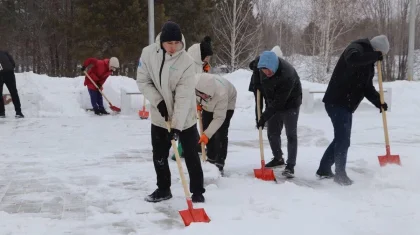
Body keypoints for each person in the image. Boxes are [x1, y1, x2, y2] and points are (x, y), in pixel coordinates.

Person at [136, 21, 205, 203]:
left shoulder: (187, 63)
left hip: (185, 117)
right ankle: (163, 189)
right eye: (169, 43)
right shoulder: (148, 54)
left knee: (190, 154)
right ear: (162, 42)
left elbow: (183, 97)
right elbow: (143, 81)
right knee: (159, 154)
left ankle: (197, 191)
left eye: (177, 43)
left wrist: (176, 126)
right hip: (160, 117)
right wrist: (158, 102)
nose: (173, 47)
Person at [316, 35, 389, 186]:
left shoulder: (368, 65)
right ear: (376, 50)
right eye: (379, 54)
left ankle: (324, 169)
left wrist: (379, 102)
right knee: (343, 140)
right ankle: (340, 174)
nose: (377, 59)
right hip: (337, 101)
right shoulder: (357, 47)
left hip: (345, 104)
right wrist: (375, 56)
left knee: (341, 139)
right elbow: (353, 59)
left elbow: (367, 87)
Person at [255, 51, 302, 178]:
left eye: (268, 70)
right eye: (264, 70)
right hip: (273, 101)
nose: (266, 73)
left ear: (274, 66)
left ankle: (290, 166)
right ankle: (278, 158)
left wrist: (264, 117)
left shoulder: (288, 74)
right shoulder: (261, 67)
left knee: (291, 134)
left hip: (291, 103)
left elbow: (279, 103)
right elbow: (253, 66)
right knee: (272, 133)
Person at [171, 35, 214, 161]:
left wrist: (205, 72)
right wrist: (199, 97)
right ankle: (182, 148)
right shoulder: (189, 62)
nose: (207, 60)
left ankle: (193, 145)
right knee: (184, 122)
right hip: (183, 97)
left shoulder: (199, 62)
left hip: (192, 97)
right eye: (206, 57)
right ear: (201, 55)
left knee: (191, 122)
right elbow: (190, 84)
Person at [195, 73, 237, 174]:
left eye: (207, 95)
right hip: (208, 104)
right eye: (203, 94)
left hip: (227, 104)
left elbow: (219, 118)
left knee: (220, 133)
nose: (205, 96)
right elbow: (189, 97)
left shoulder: (221, 94)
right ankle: (211, 157)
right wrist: (196, 104)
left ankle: (219, 162)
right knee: (206, 127)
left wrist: (206, 135)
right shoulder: (195, 84)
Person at [249, 46, 283, 127]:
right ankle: (259, 121)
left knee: (269, 102)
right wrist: (257, 86)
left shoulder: (273, 63)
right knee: (258, 103)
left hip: (267, 85)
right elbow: (253, 69)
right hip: (257, 85)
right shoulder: (260, 60)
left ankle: (268, 119)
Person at [0, 50, 24, 118]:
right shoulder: (5, 53)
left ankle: (2, 112)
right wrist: (10, 69)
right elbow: (13, 63)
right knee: (13, 92)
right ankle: (18, 112)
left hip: (6, 73)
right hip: (9, 73)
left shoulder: (5, 53)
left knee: (12, 92)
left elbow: (13, 63)